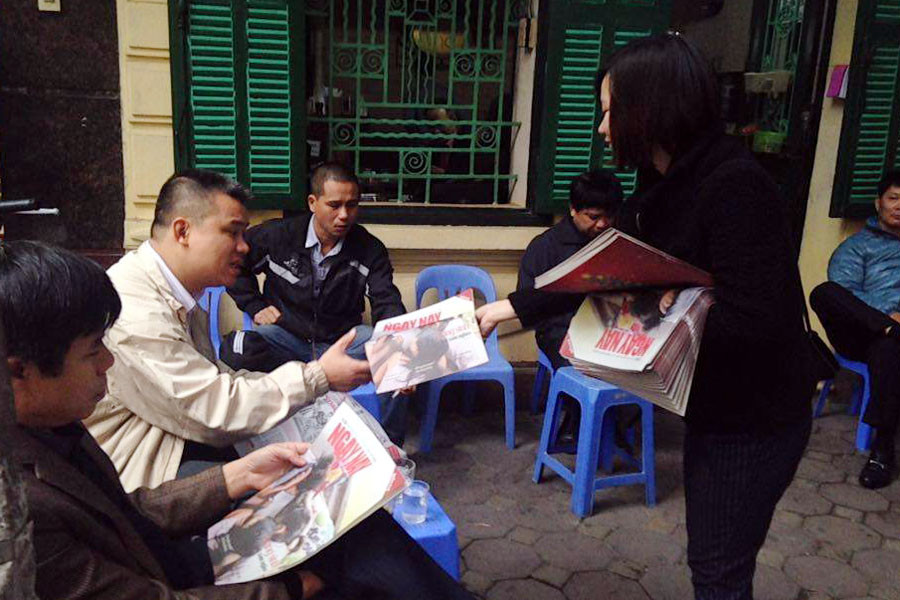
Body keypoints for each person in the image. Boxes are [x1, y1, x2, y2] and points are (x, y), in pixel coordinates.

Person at [476, 34, 816, 600]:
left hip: (757, 416)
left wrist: (636, 336)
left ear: (649, 109)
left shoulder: (736, 186)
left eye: (610, 112)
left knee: (718, 569)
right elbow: (602, 271)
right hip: (716, 406)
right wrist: (506, 309)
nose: (603, 129)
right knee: (713, 563)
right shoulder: (663, 183)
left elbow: (755, 321)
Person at [0, 240, 475, 600]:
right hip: (167, 556)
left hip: (164, 543)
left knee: (353, 526)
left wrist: (237, 475)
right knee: (348, 561)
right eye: (232, 230)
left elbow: (129, 513)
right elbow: (215, 411)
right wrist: (287, 589)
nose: (107, 362)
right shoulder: (21, 510)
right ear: (20, 370)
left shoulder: (51, 423)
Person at [83, 169, 372, 492]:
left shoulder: (178, 291)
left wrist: (312, 383)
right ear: (183, 231)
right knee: (294, 485)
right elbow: (213, 409)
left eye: (352, 205)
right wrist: (317, 377)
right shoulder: (136, 309)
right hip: (146, 467)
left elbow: (212, 378)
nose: (244, 247)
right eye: (232, 233)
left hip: (178, 431)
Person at [227, 162, 413, 445]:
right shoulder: (278, 236)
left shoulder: (368, 248)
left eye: (352, 205)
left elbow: (386, 299)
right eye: (334, 205)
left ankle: (391, 448)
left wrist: (399, 344)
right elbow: (234, 263)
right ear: (313, 202)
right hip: (286, 336)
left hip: (340, 341)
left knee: (392, 351)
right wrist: (254, 305)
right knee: (240, 347)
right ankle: (256, 443)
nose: (344, 215)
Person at [518, 170, 624, 444]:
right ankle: (581, 421)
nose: (602, 224)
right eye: (593, 216)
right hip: (560, 329)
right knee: (580, 367)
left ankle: (612, 421)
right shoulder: (545, 247)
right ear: (573, 209)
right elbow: (528, 303)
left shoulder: (617, 244)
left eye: (609, 217)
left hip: (611, 327)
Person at [809, 170, 900, 489]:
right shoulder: (856, 247)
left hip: (888, 345)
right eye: (894, 198)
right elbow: (845, 291)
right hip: (858, 332)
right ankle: (890, 328)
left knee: (890, 348)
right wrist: (889, 316)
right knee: (824, 292)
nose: (899, 206)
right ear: (879, 203)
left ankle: (882, 450)